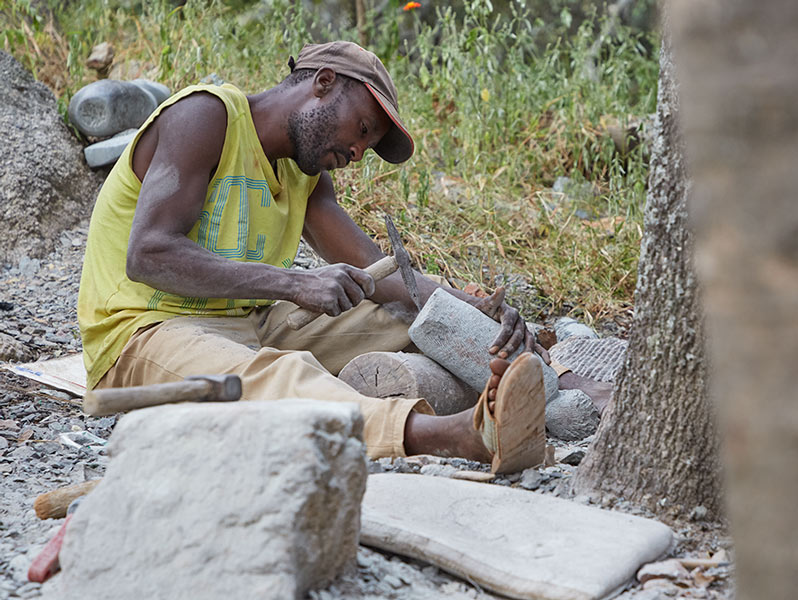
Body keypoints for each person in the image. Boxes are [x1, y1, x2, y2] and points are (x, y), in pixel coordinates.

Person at [77, 41, 602, 473]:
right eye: (362, 129)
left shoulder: (306, 175)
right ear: (323, 82)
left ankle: (554, 385)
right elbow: (147, 254)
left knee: (398, 318)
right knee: (275, 375)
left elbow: (383, 274)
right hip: (143, 333)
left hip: (242, 321)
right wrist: (290, 283)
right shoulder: (205, 116)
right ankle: (451, 435)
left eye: (368, 145)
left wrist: (473, 308)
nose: (358, 153)